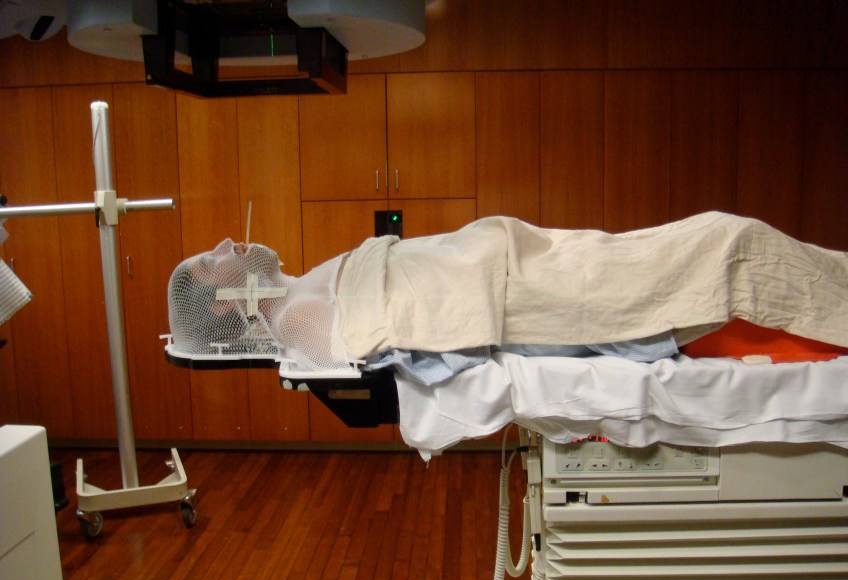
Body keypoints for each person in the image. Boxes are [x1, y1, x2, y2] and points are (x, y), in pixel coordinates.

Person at [169, 212, 848, 382]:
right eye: (213, 258)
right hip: (521, 294)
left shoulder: (296, 293)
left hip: (520, 261)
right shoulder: (297, 323)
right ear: (226, 302)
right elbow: (397, 335)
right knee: (726, 243)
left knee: (721, 239)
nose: (227, 242)